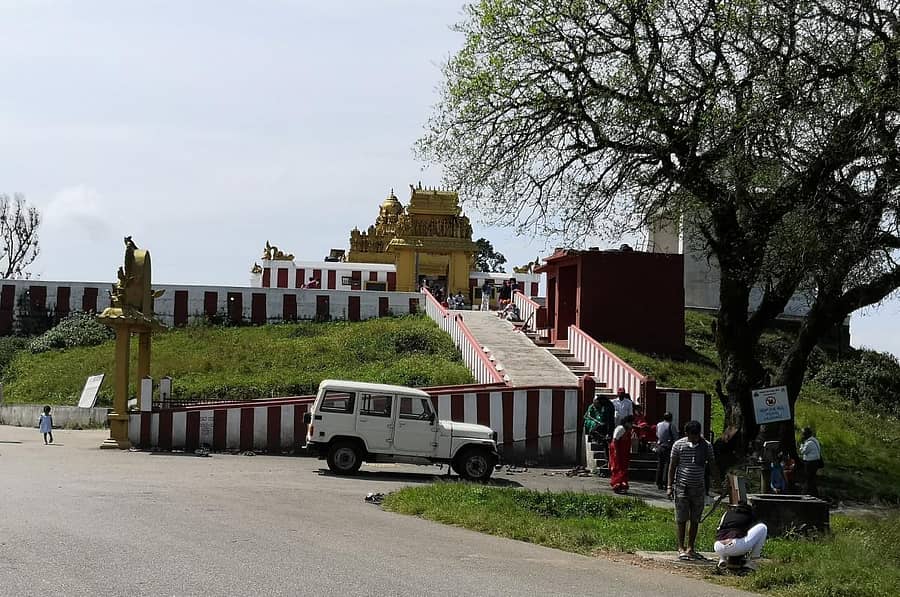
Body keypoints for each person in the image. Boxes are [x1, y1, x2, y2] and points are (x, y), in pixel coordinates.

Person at [668, 420, 719, 560]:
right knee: (681, 518)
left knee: (695, 519)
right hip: (681, 487)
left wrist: (718, 482)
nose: (694, 438)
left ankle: (691, 547)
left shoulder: (706, 446)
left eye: (697, 435)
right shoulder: (678, 445)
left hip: (698, 488)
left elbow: (712, 465)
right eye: (692, 435)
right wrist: (669, 486)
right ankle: (681, 547)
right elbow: (672, 466)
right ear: (686, 434)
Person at [713, 503, 768, 571]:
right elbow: (751, 530)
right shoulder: (749, 515)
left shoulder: (727, 513)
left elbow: (719, 529)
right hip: (735, 546)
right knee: (763, 527)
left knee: (725, 534)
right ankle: (752, 561)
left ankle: (722, 559)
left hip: (718, 547)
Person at [609, 415, 634, 494]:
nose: (632, 424)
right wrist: (616, 452)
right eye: (631, 423)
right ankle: (617, 484)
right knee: (617, 467)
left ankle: (622, 484)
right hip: (618, 452)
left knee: (623, 468)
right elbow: (615, 441)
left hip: (624, 453)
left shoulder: (627, 430)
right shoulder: (620, 429)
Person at [798, 427, 823, 497]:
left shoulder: (809, 443)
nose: (802, 435)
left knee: (809, 479)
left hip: (810, 463)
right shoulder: (815, 440)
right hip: (815, 462)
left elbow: (803, 451)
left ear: (806, 434)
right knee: (811, 479)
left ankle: (805, 494)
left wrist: (801, 445)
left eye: (803, 434)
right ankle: (813, 494)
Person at [655, 412, 677, 491]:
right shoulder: (671, 425)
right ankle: (666, 481)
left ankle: (658, 481)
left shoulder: (658, 425)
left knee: (660, 465)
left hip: (660, 446)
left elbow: (657, 434)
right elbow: (675, 437)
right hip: (668, 447)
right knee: (667, 465)